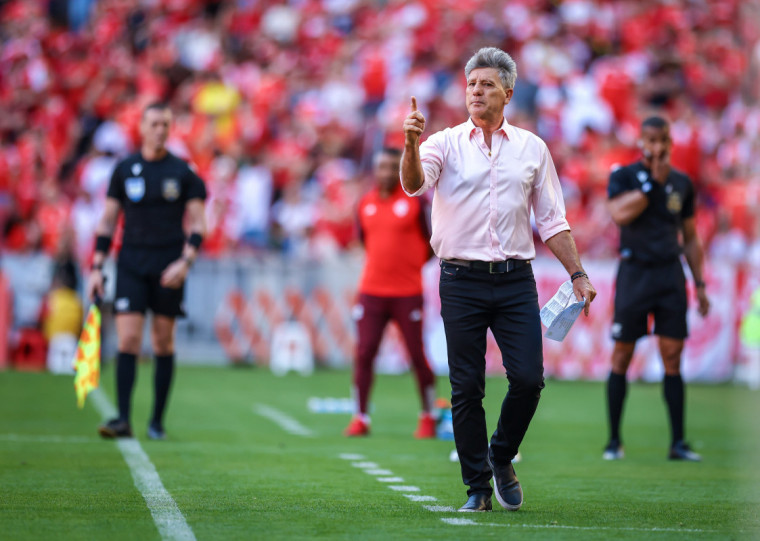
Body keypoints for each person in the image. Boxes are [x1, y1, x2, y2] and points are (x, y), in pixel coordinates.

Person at [401, 47, 596, 512]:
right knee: (466, 387)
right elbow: (412, 185)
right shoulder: (441, 143)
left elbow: (553, 220)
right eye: (471, 85)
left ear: (508, 93)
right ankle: (477, 488)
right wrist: (409, 144)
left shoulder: (533, 148)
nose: (476, 92)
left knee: (529, 379)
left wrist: (579, 274)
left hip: (514, 279)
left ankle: (501, 455)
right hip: (460, 278)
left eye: (487, 85)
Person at [86, 103, 207, 440]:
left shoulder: (183, 171)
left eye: (165, 124)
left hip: (168, 264)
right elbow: (108, 222)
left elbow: (199, 224)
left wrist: (185, 262)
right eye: (154, 123)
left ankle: (156, 421)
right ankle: (123, 418)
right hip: (131, 263)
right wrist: (97, 266)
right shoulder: (124, 169)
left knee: (163, 341)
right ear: (140, 127)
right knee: (128, 338)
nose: (160, 130)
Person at [604, 116, 710, 462]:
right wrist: (652, 184)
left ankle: (678, 442)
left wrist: (700, 283)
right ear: (641, 141)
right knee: (622, 354)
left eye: (662, 139)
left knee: (673, 357)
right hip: (634, 272)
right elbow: (619, 214)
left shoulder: (682, 183)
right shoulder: (623, 176)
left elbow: (691, 238)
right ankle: (613, 441)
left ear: (670, 142)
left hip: (669, 275)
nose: (657, 146)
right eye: (650, 139)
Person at [344, 147, 437, 439]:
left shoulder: (415, 202)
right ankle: (360, 416)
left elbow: (432, 243)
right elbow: (364, 241)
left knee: (416, 355)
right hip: (371, 292)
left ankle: (428, 415)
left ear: (400, 170)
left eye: (391, 167)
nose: (385, 172)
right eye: (381, 166)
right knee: (364, 352)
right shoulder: (365, 203)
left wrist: (408, 267)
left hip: (407, 292)